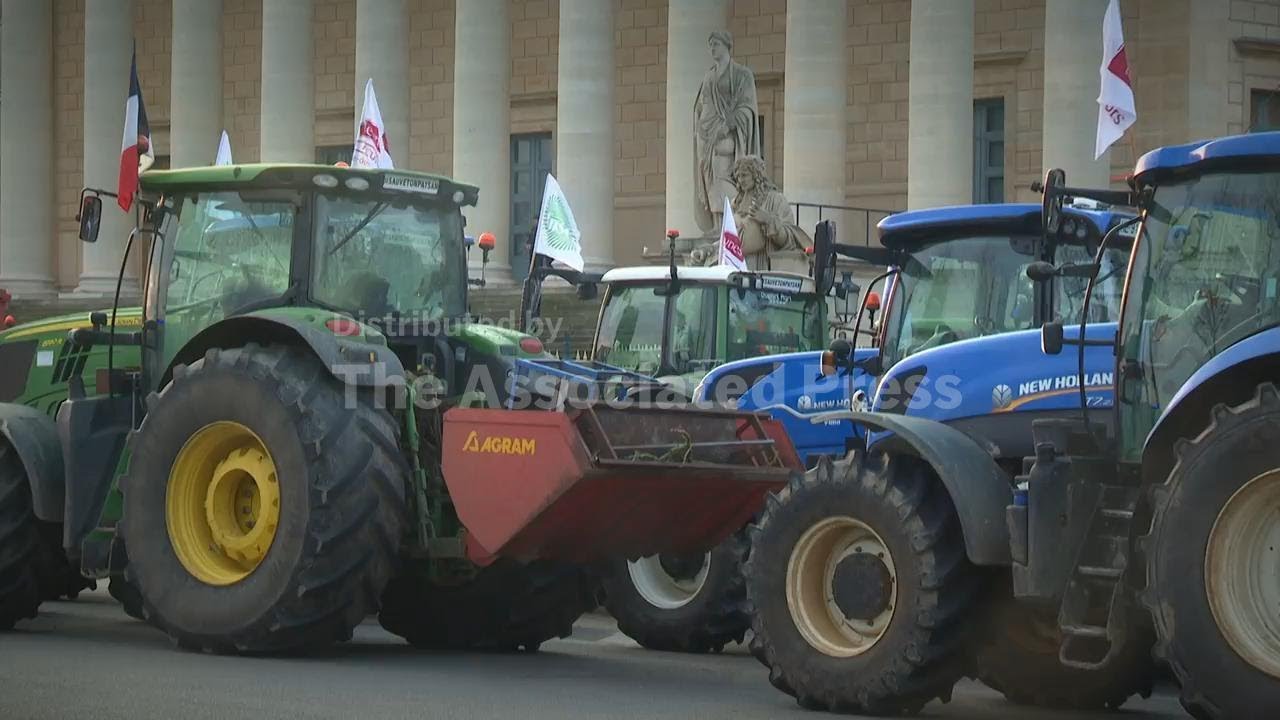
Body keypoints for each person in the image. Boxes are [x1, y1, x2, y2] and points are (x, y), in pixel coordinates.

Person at [693, 30, 761, 235]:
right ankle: (716, 224)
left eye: (716, 44)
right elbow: (701, 105)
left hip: (728, 137)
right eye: (710, 45)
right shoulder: (708, 77)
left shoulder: (741, 74)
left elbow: (747, 106)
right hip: (707, 137)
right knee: (711, 179)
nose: (712, 48)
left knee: (726, 176)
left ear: (727, 45)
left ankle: (729, 224)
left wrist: (729, 123)